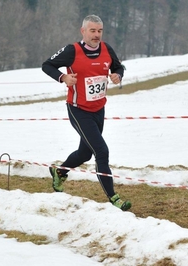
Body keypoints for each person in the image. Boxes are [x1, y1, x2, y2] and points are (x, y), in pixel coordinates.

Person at [42, 14, 131, 211]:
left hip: (99, 109)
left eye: (99, 31)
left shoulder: (107, 49)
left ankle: (59, 171)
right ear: (83, 31)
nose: (96, 35)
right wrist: (63, 77)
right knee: (101, 151)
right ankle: (113, 198)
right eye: (92, 31)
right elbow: (47, 65)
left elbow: (118, 66)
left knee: (85, 153)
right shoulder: (72, 51)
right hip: (78, 110)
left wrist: (118, 75)